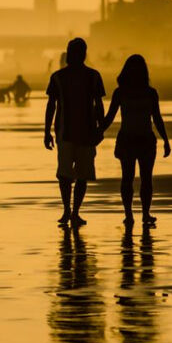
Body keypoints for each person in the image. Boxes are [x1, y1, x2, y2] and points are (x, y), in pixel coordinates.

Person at [100, 55, 171, 227]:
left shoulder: (122, 92)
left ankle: (130, 214)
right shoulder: (150, 93)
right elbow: (157, 119)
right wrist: (165, 140)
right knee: (145, 179)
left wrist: (97, 132)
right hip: (144, 139)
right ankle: (144, 214)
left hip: (129, 139)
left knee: (128, 178)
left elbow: (109, 118)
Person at [44, 38, 105, 227]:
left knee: (77, 175)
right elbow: (51, 105)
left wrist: (100, 129)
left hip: (81, 133)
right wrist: (47, 132)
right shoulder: (58, 77)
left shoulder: (92, 76)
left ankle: (72, 212)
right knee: (69, 175)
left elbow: (99, 105)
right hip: (67, 132)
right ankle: (69, 211)